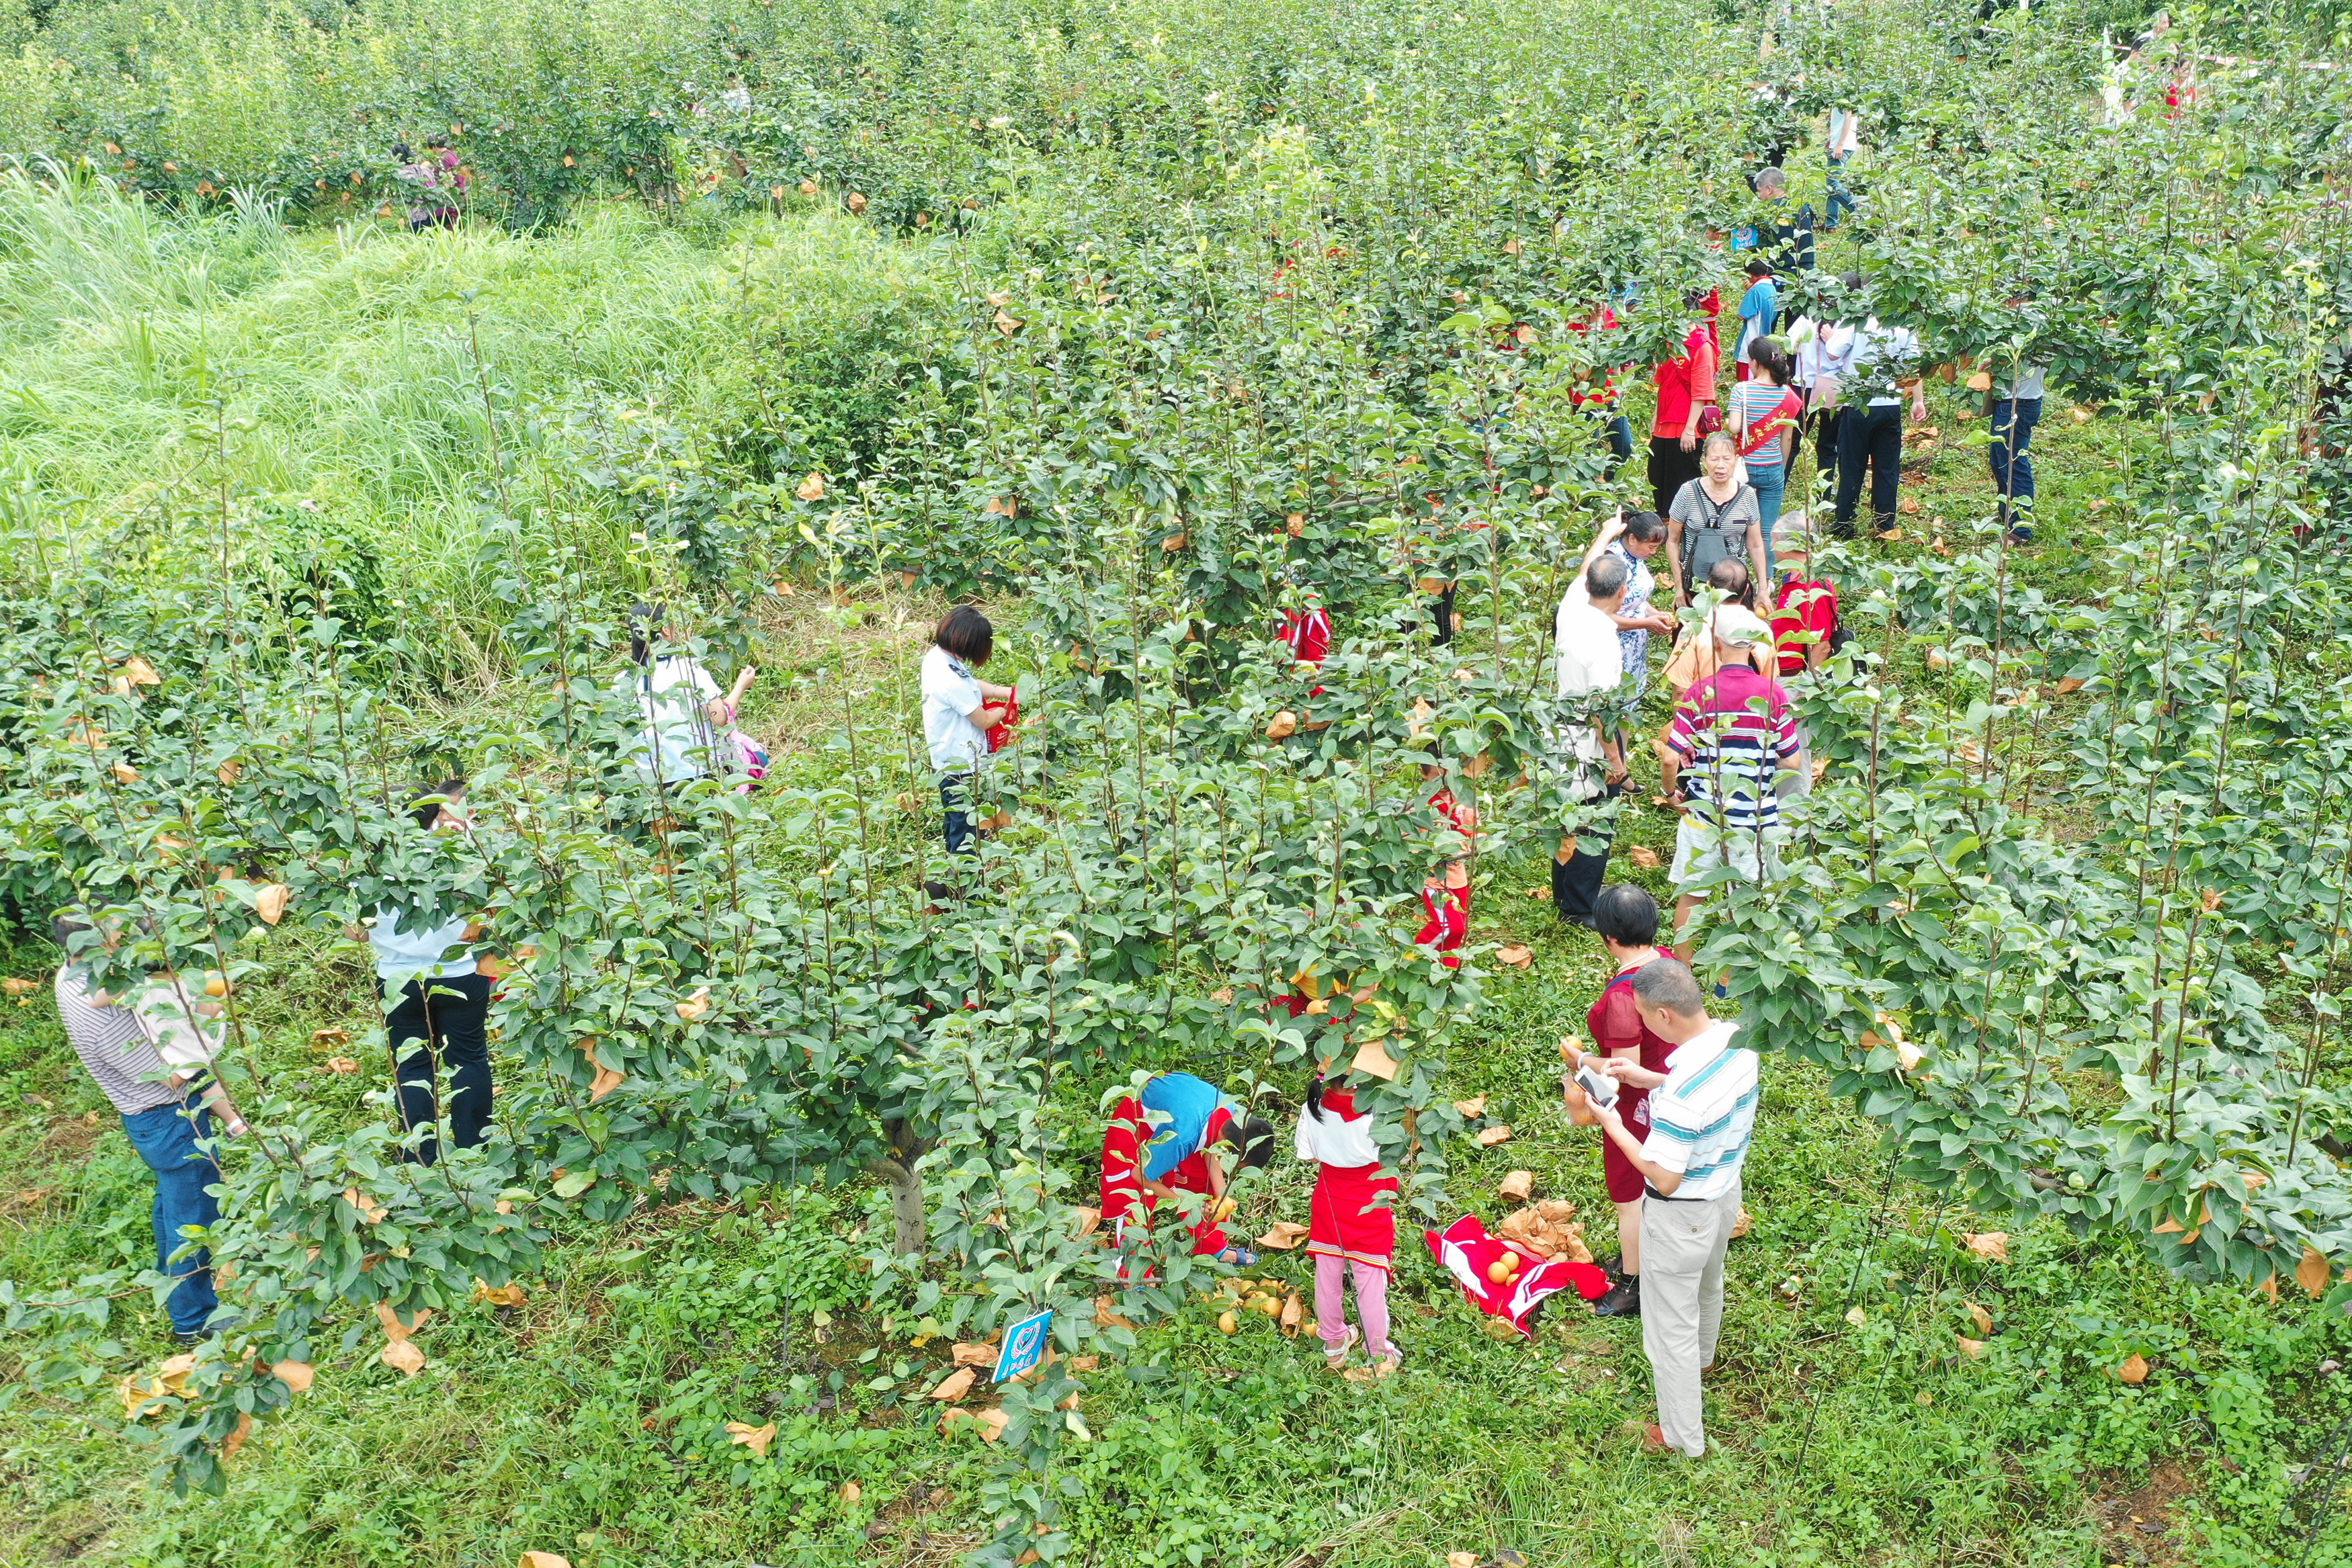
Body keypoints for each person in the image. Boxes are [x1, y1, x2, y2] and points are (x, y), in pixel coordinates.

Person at [1585, 957, 1760, 1458]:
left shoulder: (1683, 1093)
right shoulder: (1740, 1041)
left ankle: (1682, 1437)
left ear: (1664, 1015)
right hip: (1723, 1192)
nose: (1638, 1023)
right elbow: (1708, 1102)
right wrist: (1647, 1078)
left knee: (1669, 1329)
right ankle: (1705, 1361)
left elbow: (1663, 1173)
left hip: (1681, 1213)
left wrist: (1611, 1119)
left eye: (1642, 1015)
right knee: (1711, 1280)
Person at [52, 916, 247, 1342]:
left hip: (150, 1117)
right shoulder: (104, 1021)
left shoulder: (71, 975)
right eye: (120, 940)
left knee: (173, 1204)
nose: (130, 945)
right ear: (94, 944)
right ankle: (193, 1322)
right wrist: (211, 1007)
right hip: (168, 1116)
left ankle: (170, 1280)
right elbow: (175, 1077)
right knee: (193, 1218)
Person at [345, 781, 497, 1166]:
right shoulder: (461, 853)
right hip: (460, 973)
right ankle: (474, 1153)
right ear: (433, 812)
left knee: (411, 1066)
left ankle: (419, 1157)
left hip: (398, 980)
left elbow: (355, 932)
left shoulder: (366, 865)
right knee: (467, 1058)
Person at [1655, 605, 1798, 960]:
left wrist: (1671, 792)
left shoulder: (1701, 693)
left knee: (1692, 892)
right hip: (1755, 818)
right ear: (1753, 647)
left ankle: (1682, 971)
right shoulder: (1773, 694)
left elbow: (1671, 756)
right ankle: (1730, 977)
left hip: (1705, 811)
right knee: (1749, 896)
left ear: (1717, 645)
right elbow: (1792, 760)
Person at [1568, 886, 1675, 1320]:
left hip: (1637, 1103)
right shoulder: (1665, 961)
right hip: (1669, 1083)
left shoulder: (1621, 998)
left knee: (1629, 1192)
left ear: (1609, 938)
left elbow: (1622, 1069)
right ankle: (1642, 1256)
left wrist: (1578, 1059)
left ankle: (1633, 1283)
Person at [1100, 1073, 1275, 1264]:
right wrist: (1187, 1202)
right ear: (1226, 1146)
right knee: (1136, 1199)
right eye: (1231, 1164)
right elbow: (1140, 1175)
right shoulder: (1182, 1137)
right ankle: (1130, 1273)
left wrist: (1221, 1194)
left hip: (1182, 1112)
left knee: (1202, 1181)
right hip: (1137, 1118)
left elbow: (1212, 1152)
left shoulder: (1231, 1115)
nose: (1227, 1166)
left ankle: (1212, 1248)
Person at [1297, 1069, 1401, 1374]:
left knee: (1327, 1275)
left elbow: (1311, 1156)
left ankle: (1333, 1345)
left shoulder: (1312, 1107)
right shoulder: (1378, 1116)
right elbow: (1396, 1155)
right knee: (1369, 1281)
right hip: (1370, 1203)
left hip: (1329, 1200)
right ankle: (1379, 1353)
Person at [1553, 553, 1632, 926]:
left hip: (1560, 729)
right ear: (1622, 592)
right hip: (1590, 740)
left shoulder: (1571, 610)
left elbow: (1586, 566)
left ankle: (1563, 892)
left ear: (1587, 587)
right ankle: (1579, 906)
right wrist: (1616, 762)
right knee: (1595, 820)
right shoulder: (1603, 639)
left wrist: (1606, 531)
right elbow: (1602, 711)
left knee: (1568, 816)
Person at [626, 603, 759, 795]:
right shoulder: (688, 668)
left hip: (649, 782)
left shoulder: (624, 680)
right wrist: (741, 685)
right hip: (698, 772)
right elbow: (720, 718)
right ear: (665, 630)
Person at [1825, 291, 1927, 538]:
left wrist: (1831, 337)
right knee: (1887, 468)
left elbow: (1832, 353)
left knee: (1852, 465)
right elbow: (1914, 367)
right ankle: (1885, 524)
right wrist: (1918, 400)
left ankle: (1844, 523)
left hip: (1858, 405)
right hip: (1889, 406)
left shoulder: (1857, 323)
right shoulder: (1903, 327)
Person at [921, 606, 1013, 858]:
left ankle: (948, 881)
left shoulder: (939, 658)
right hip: (963, 767)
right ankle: (963, 888)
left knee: (955, 821)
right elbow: (983, 720)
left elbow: (969, 683)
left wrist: (1002, 691)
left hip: (947, 758)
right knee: (968, 831)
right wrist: (1004, 712)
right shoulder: (949, 679)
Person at [1768, 524, 1839, 797]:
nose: (1772, 548)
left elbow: (1820, 645)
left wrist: (1807, 689)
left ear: (1790, 546)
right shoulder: (1792, 579)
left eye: (1775, 542)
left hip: (1796, 678)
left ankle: (1794, 816)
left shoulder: (1812, 587)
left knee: (1794, 747)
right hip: (1781, 674)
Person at [1665, 433, 1767, 609]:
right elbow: (1672, 541)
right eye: (1714, 459)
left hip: (1734, 587)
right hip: (1696, 584)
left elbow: (1755, 545)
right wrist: (1679, 586)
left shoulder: (1747, 496)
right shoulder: (1688, 492)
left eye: (1727, 459)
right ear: (1704, 461)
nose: (1720, 466)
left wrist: (1763, 589)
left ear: (1736, 461)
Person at [1647, 290, 1721, 519]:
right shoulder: (1669, 342)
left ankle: (1682, 527)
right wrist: (1654, 419)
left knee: (1681, 479)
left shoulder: (1702, 346)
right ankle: (1663, 524)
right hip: (1664, 420)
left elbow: (1701, 391)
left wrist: (1690, 430)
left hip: (1685, 423)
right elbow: (1662, 384)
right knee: (1658, 475)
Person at [1729, 339, 1804, 562]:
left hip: (1745, 468)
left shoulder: (1741, 389)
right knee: (1768, 529)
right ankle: (1768, 579)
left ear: (1754, 362)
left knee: (1736, 524)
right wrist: (1780, 467)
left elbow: (1734, 427)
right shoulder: (1788, 396)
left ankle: (1736, 572)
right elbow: (1787, 436)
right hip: (1772, 467)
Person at [1986, 338, 2046, 544]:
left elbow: (2012, 362)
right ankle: (2007, 515)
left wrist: (1991, 361)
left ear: (2012, 302)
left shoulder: (2025, 327)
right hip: (2011, 401)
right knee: (1999, 460)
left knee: (2013, 464)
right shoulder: (2028, 324)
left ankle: (2020, 529)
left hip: (2019, 403)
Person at [1569, 301, 1636, 476]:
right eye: (1593, 300)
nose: (1600, 305)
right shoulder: (1575, 323)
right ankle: (1589, 495)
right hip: (1584, 398)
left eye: (1603, 300)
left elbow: (1616, 359)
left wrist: (1619, 386)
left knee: (1624, 445)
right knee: (1587, 449)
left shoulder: (1610, 318)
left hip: (1609, 394)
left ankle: (1609, 482)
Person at [1750, 167, 1816, 272]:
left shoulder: (1764, 212)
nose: (1759, 196)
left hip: (1779, 273)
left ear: (1769, 189)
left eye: (1759, 191)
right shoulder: (1803, 207)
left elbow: (1752, 246)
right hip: (1806, 272)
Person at [1732, 260, 1778, 383]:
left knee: (1747, 380)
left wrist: (1747, 292)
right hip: (1765, 339)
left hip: (1751, 341)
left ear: (1751, 275)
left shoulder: (1755, 291)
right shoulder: (1772, 288)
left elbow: (1741, 315)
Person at [1824, 106, 1859, 230]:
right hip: (1841, 145)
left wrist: (1840, 144)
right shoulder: (1839, 95)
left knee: (1832, 185)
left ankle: (1860, 211)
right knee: (1835, 184)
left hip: (1842, 147)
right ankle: (1831, 224)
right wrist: (1832, 140)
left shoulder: (1844, 94)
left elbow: (1848, 117)